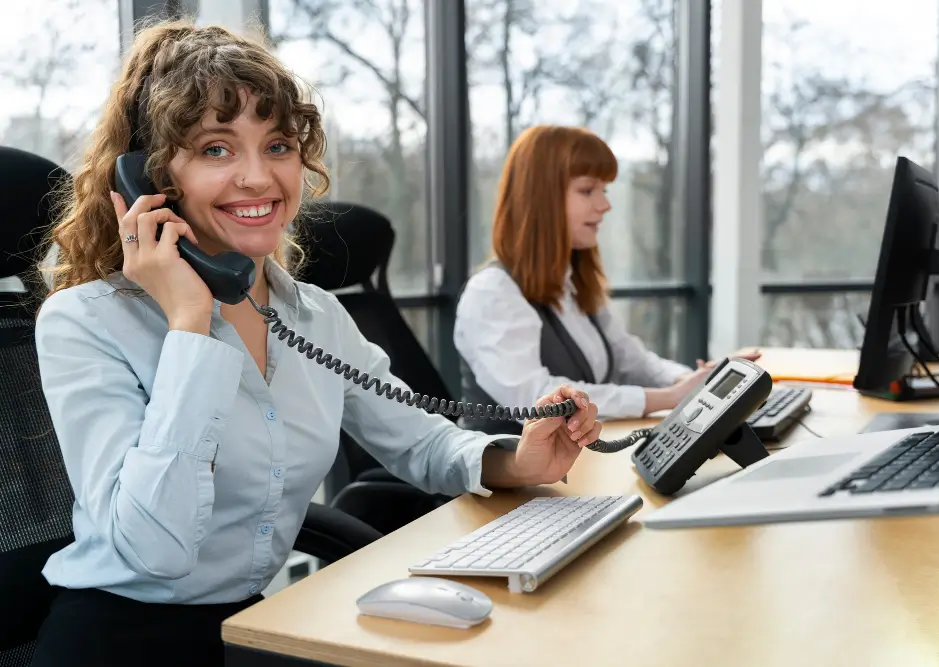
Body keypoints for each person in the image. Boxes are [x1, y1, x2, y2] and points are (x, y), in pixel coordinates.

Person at [27, 21, 602, 667]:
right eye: (216, 149)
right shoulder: (84, 321)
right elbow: (154, 549)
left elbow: (421, 440)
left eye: (277, 145)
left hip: (261, 625)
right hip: (119, 644)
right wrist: (190, 322)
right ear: (150, 179)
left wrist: (519, 461)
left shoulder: (314, 315)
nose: (257, 176)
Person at [454, 125, 759, 435]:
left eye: (605, 190)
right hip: (510, 478)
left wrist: (701, 381)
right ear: (540, 198)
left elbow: (634, 362)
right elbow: (536, 398)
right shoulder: (492, 292)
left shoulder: (573, 286)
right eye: (588, 191)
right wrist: (668, 397)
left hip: (576, 467)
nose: (605, 205)